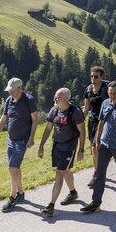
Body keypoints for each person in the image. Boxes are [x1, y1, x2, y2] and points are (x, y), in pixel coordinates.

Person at [0, 77, 38, 213]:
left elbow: (34, 120)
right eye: (9, 91)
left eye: (13, 91)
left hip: (22, 140)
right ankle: (21, 193)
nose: (10, 94)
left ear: (20, 88)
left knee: (12, 167)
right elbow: (3, 119)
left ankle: (12, 197)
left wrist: (31, 138)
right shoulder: (9, 101)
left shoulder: (29, 100)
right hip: (11, 139)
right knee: (14, 168)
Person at [81, 81, 116, 214]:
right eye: (110, 93)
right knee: (99, 173)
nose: (112, 96)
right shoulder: (105, 103)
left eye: (114, 93)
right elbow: (101, 122)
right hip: (104, 144)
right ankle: (96, 203)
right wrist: (96, 140)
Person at [37, 87, 86, 217]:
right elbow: (48, 129)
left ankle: (51, 205)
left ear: (66, 98)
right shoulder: (54, 110)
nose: (55, 99)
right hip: (57, 146)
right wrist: (41, 145)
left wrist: (81, 149)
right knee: (65, 171)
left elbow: (82, 131)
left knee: (59, 172)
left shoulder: (74, 112)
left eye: (57, 97)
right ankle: (73, 192)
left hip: (69, 146)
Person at [82, 66, 109, 184]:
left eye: (96, 76)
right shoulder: (88, 89)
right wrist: (80, 119)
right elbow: (86, 107)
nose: (93, 78)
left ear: (101, 77)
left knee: (103, 148)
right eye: (92, 76)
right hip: (93, 122)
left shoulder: (107, 89)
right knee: (94, 148)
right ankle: (97, 173)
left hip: (105, 122)